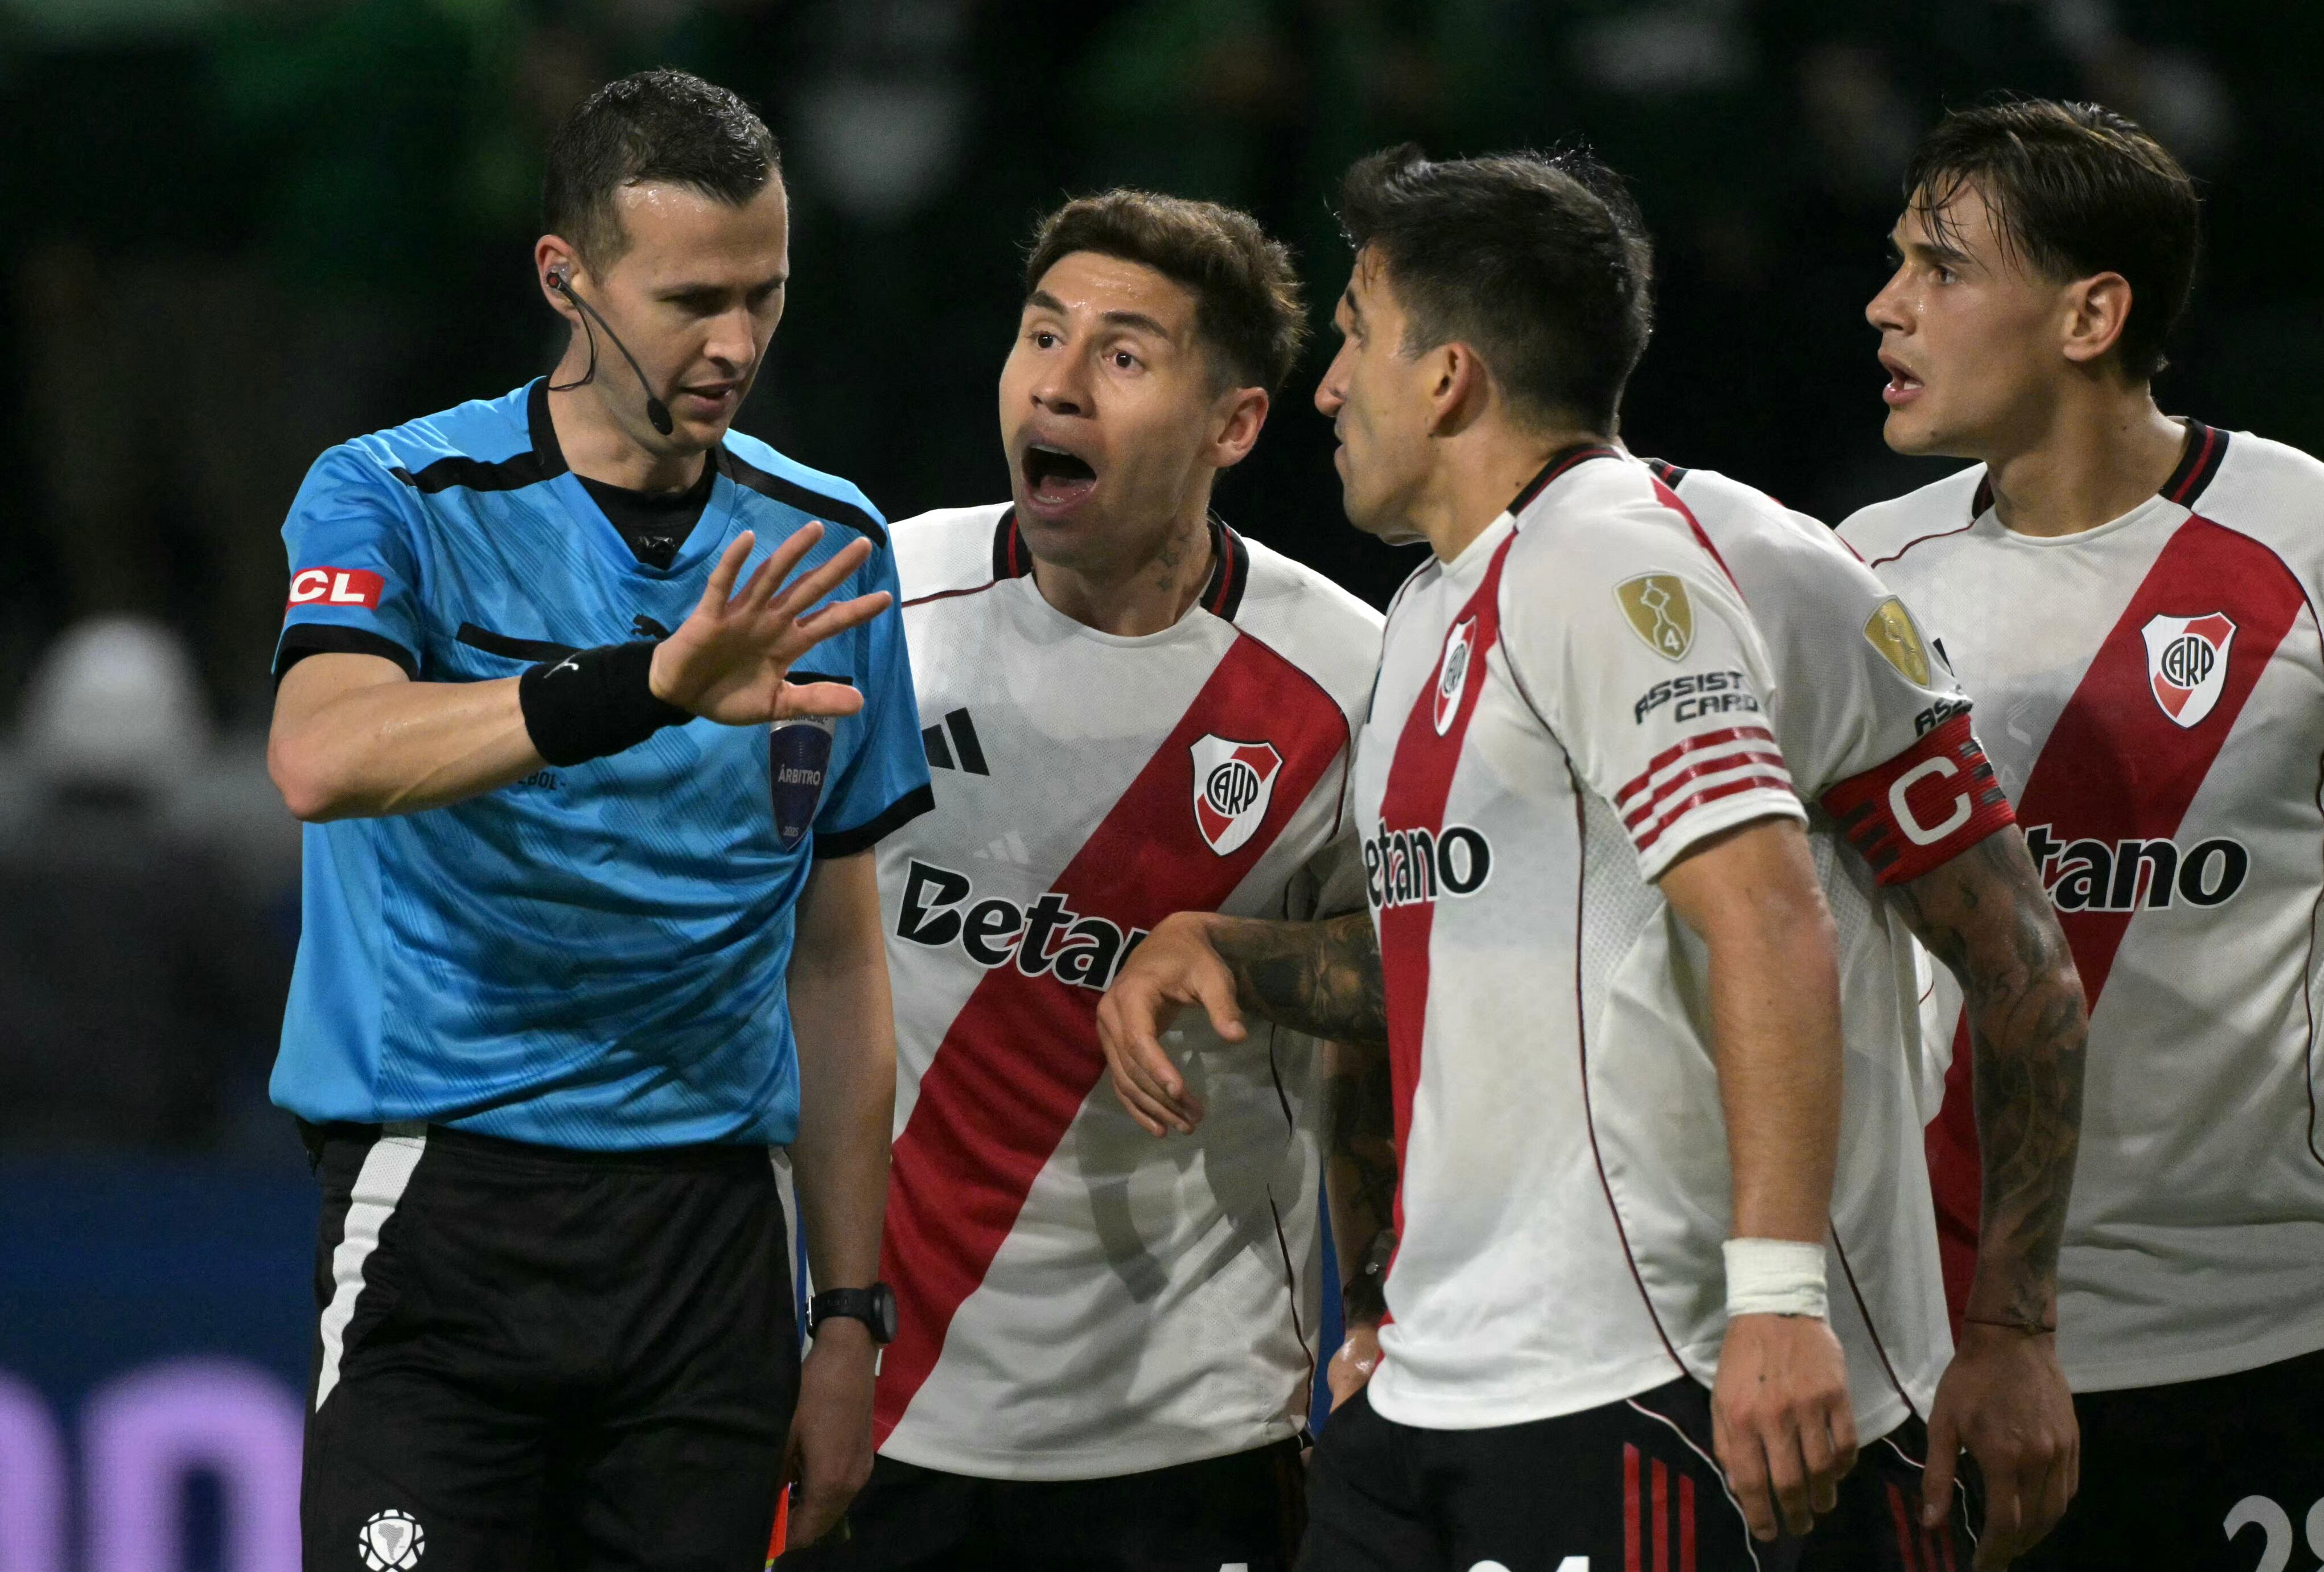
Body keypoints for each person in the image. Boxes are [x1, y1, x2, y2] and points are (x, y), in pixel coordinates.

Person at [1103, 146, 1857, 1571]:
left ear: (1447, 378)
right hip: (1428, 1374)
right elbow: (1440, 953)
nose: (1327, 387)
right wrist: (1225, 951)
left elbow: (1767, 916)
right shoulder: (1434, 605)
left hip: (1610, 1371)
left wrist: (1777, 1300)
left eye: (1352, 339)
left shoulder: (1608, 562)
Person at [264, 71, 928, 1571]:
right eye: (691, 300)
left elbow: (837, 961)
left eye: (764, 293)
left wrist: (847, 1316)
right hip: (443, 1200)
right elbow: (320, 755)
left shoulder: (827, 546)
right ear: (566, 278)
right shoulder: (396, 495)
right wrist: (649, 685)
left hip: (713, 1242)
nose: (735, 343)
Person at [780, 191, 1383, 1571]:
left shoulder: (1345, 680)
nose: (1055, 383)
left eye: (1121, 354)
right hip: (884, 1399)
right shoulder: (876, 605)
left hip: (1193, 1420)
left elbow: (1400, 991)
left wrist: (1374, 1306)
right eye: (1040, 335)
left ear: (1233, 423)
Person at [1837, 98, 2324, 1572]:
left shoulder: (2304, 544)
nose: (1884, 305)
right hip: (1930, 1344)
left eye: (1940, 267)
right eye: (1895, 261)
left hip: (2254, 1333)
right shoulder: (1857, 573)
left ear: (2088, 314)